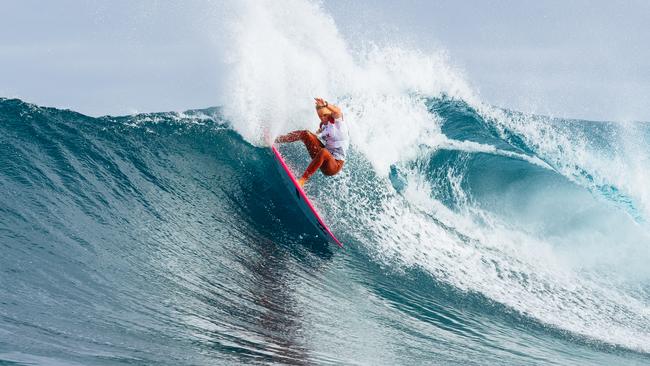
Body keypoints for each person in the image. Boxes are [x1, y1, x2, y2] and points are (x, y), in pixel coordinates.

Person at [275, 97, 350, 187]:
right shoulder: (324, 125)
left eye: (325, 115)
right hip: (323, 157)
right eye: (320, 116)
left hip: (333, 166)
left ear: (330, 113)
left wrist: (325, 104)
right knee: (306, 134)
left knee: (324, 152)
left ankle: (302, 180)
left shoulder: (339, 123)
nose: (323, 118)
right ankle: (277, 139)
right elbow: (318, 135)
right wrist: (313, 136)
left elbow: (338, 111)